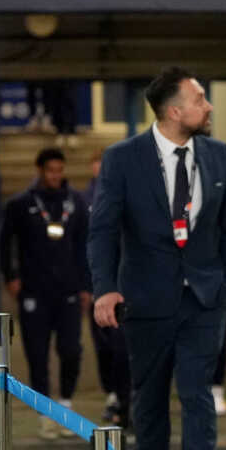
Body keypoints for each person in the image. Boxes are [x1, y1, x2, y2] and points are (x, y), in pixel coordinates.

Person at [88, 67, 226, 450]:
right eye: (200, 99)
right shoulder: (122, 159)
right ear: (175, 111)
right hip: (145, 298)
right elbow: (102, 231)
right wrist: (104, 289)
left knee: (198, 393)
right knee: (149, 396)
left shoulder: (218, 155)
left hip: (204, 298)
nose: (209, 106)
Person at [0, 148, 90, 440]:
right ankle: (44, 414)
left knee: (71, 350)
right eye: (50, 170)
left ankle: (65, 405)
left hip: (68, 290)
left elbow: (84, 246)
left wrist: (87, 285)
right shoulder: (21, 204)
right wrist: (11, 277)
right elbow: (6, 243)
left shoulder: (76, 202)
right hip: (34, 290)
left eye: (59, 170)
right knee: (37, 354)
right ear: (39, 170)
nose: (55, 176)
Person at [84, 148, 132, 429]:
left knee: (131, 355)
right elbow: (93, 246)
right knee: (113, 351)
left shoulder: (134, 200)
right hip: (108, 291)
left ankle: (130, 410)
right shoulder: (87, 204)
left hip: (137, 291)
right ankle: (120, 403)